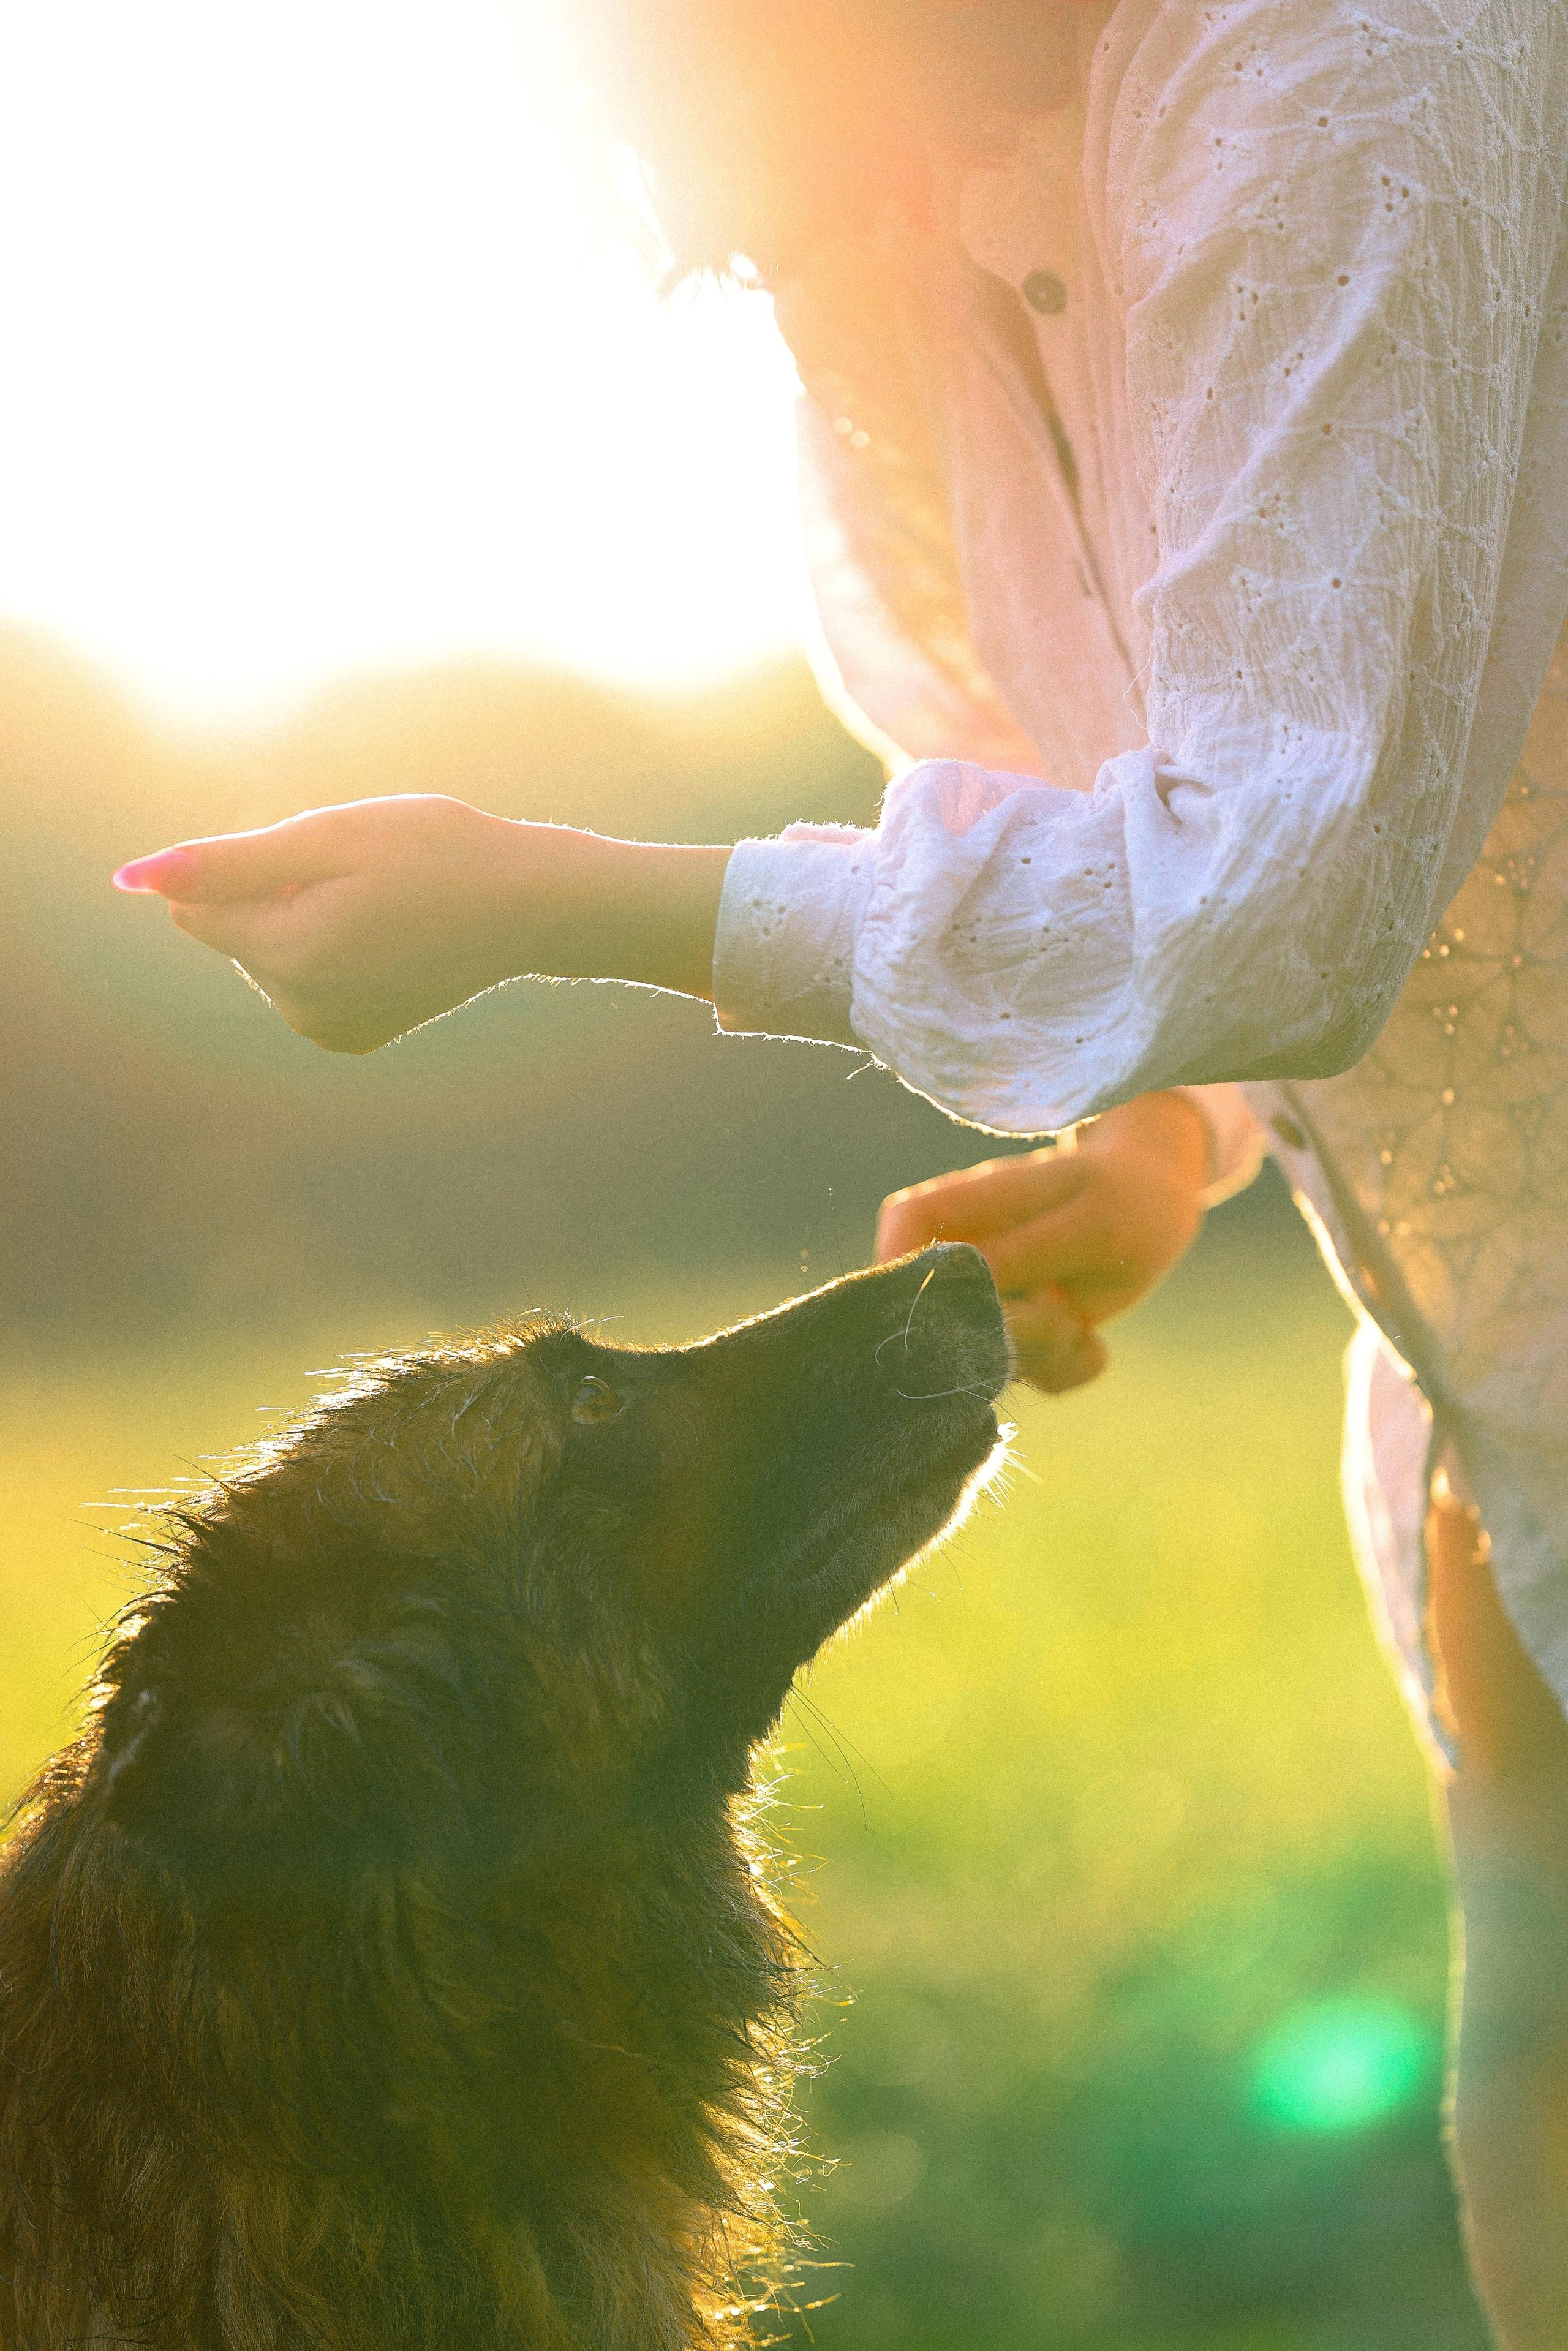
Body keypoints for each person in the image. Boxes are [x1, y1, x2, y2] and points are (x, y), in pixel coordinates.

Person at [111, 2, 1568, 2340]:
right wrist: (1160, 1141)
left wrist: (573, 902)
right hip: (1495, 1361)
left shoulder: (1345, 61)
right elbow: (1205, 768)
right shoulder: (898, 211)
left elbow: (1281, 880)